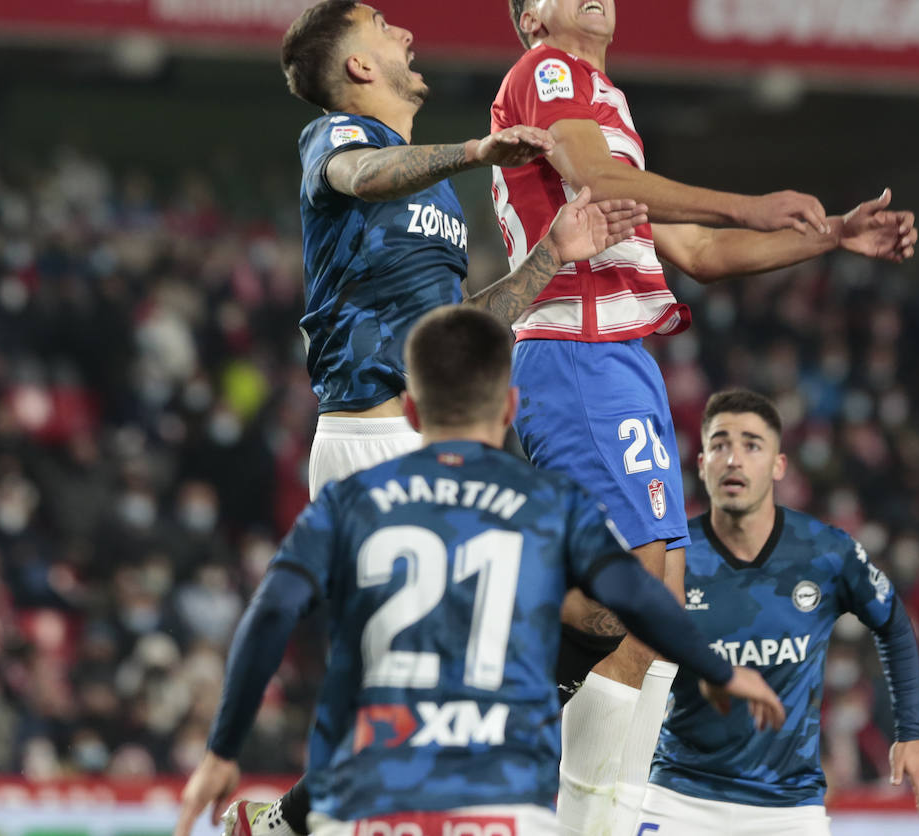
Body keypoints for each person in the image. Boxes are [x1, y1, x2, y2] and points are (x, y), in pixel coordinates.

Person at [493, 0, 919, 835]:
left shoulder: (607, 103)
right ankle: (547, 775)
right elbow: (598, 180)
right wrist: (748, 200)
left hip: (625, 359)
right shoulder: (548, 71)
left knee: (660, 612)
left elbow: (696, 253)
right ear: (533, 16)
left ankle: (589, 791)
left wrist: (830, 237)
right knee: (633, 599)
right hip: (575, 350)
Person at [173, 307, 787, 836]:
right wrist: (717, 669)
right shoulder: (548, 506)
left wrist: (223, 749)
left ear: (411, 411)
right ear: (512, 408)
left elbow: (273, 611)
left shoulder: (350, 502)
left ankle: (290, 821)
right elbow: (632, 598)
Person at [284, 0, 648, 499]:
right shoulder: (335, 136)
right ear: (359, 65)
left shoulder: (436, 187)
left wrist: (552, 253)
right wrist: (474, 151)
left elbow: (458, 326)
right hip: (368, 437)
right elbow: (365, 174)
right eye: (383, 24)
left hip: (435, 433)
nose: (405, 35)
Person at [637, 388, 919, 835]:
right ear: (701, 465)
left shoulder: (826, 553)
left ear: (778, 466)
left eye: (751, 445)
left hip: (788, 807)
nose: (733, 459)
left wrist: (910, 732)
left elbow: (893, 625)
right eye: (719, 444)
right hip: (678, 796)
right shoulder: (673, 557)